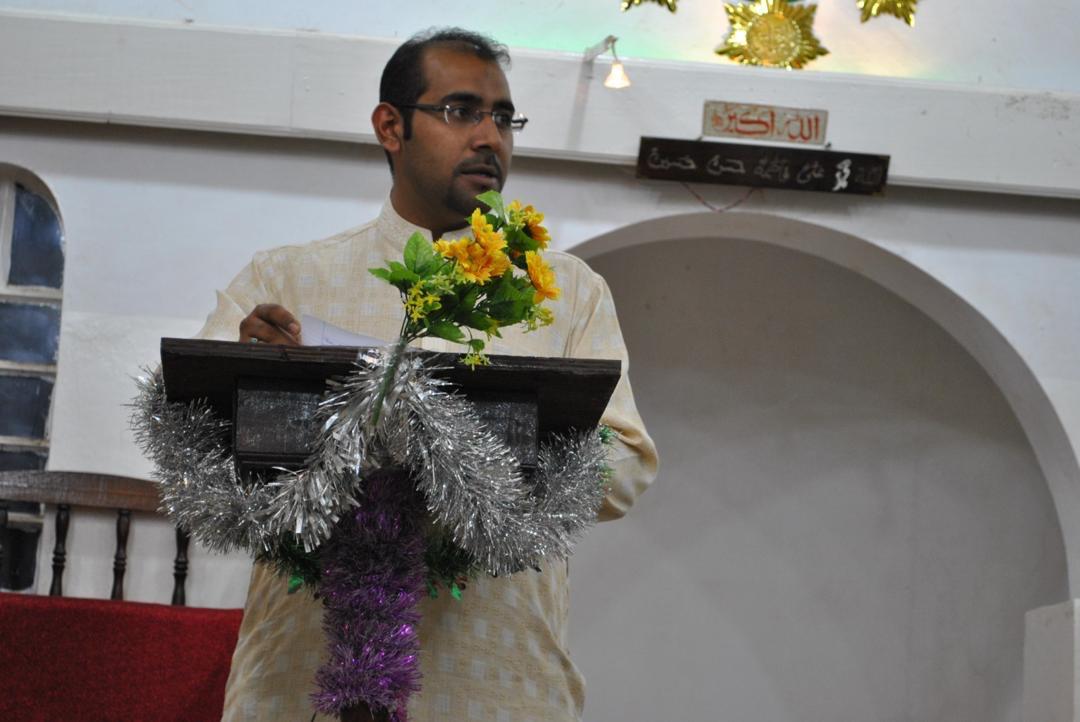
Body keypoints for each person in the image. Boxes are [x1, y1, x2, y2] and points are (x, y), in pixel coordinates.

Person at [196, 28, 657, 722]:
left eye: (503, 118)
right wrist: (250, 384)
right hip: (301, 680)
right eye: (460, 110)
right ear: (391, 126)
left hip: (498, 684)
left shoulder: (566, 291)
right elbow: (196, 451)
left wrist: (472, 448)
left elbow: (624, 468)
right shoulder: (284, 280)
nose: (490, 137)